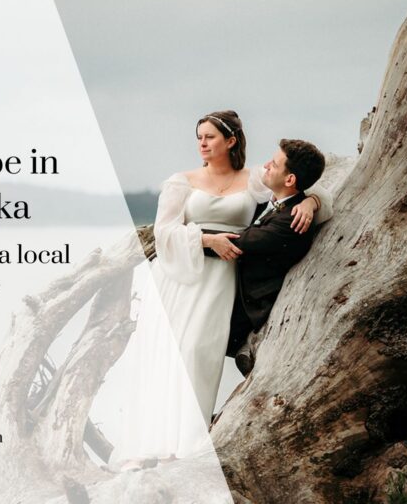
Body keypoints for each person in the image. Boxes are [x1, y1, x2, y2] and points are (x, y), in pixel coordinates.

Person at [107, 111, 332, 468]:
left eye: (210, 137)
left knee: (199, 354)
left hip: (220, 281)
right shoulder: (181, 182)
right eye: (199, 137)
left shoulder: (255, 179)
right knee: (166, 356)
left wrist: (312, 202)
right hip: (181, 275)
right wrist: (206, 239)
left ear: (231, 141)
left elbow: (301, 186)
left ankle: (183, 449)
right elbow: (164, 233)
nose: (202, 143)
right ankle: (145, 447)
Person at [203, 139, 327, 377]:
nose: (266, 166)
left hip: (248, 310)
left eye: (274, 164)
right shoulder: (282, 201)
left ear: (290, 180)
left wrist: (190, 238)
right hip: (232, 291)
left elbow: (238, 243)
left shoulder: (291, 221)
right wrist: (313, 200)